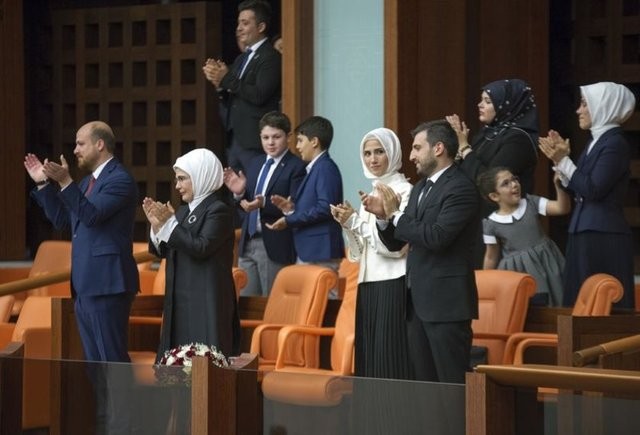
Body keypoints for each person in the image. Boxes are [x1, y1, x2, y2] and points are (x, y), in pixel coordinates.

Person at [24, 121, 139, 434]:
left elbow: (91, 215)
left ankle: (122, 428)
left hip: (107, 283)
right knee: (95, 366)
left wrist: (65, 184)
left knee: (112, 364)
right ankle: (105, 426)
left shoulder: (119, 180)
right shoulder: (88, 182)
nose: (74, 150)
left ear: (100, 144)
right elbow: (64, 219)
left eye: (80, 144)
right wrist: (45, 185)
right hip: (86, 284)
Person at [363, 119, 480, 384]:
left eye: (417, 148)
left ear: (438, 148)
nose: (412, 155)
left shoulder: (460, 188)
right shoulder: (421, 188)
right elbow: (397, 242)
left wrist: (395, 214)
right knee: (424, 386)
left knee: (452, 386)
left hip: (446, 306)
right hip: (416, 304)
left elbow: (437, 237)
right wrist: (384, 218)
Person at [539, 82, 636, 309]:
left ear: (604, 105)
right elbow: (582, 185)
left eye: (584, 104)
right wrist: (561, 167)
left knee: (602, 307)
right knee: (578, 300)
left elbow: (594, 189)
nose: (578, 111)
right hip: (584, 228)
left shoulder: (614, 144)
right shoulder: (597, 141)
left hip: (603, 234)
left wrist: (564, 162)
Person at [330, 127, 412, 379]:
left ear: (393, 153)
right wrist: (347, 223)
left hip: (393, 282)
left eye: (379, 152)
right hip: (368, 282)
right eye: (367, 153)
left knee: (390, 360)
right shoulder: (373, 190)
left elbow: (393, 249)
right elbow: (357, 254)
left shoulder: (403, 190)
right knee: (369, 361)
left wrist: (356, 222)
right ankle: (372, 418)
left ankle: (392, 418)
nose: (372, 159)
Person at [143, 148, 241, 359]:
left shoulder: (218, 210)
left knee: (206, 369)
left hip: (206, 302)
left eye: (182, 179)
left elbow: (201, 247)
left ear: (201, 176)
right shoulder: (182, 211)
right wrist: (157, 227)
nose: (177, 185)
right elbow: (161, 250)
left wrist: (169, 225)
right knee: (177, 367)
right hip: (180, 300)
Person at [223, 111, 306, 296]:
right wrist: (240, 193)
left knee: (271, 303)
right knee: (245, 304)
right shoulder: (255, 163)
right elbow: (248, 203)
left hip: (275, 243)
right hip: (248, 241)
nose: (270, 142)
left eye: (276, 137)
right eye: (265, 137)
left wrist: (264, 203)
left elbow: (294, 206)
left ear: (289, 137)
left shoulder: (296, 167)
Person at [202, 0, 281, 174]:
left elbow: (260, 95)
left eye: (245, 23)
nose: (238, 28)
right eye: (238, 23)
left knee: (255, 194)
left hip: (255, 141)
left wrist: (227, 78)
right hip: (235, 139)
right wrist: (220, 84)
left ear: (261, 27)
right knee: (236, 195)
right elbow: (234, 92)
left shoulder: (270, 57)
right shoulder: (241, 58)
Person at [268, 116, 345, 291]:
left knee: (322, 305)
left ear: (315, 142)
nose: (297, 146)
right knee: (310, 305)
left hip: (320, 251)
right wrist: (290, 209)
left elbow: (326, 208)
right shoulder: (316, 168)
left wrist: (290, 220)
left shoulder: (325, 168)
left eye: (301, 141)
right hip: (312, 250)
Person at [477, 167, 570, 306]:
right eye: (506, 183)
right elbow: (491, 256)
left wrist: (559, 187)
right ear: (494, 196)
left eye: (514, 179)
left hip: (546, 263)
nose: (514, 184)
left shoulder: (531, 203)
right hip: (517, 272)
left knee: (557, 301)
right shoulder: (491, 224)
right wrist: (485, 284)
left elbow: (562, 208)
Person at [446, 78, 539, 195]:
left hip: (503, 210)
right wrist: (459, 149)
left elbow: (491, 180)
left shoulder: (518, 139)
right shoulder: (487, 133)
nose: (480, 105)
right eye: (481, 100)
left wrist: (464, 147)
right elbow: (467, 170)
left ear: (506, 106)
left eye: (488, 101)